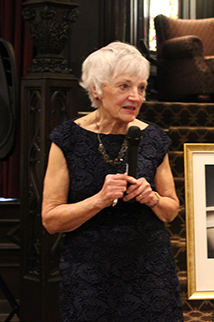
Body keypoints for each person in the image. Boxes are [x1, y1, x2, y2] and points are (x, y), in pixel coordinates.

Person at [41, 41, 184, 321]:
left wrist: (152, 197)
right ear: (96, 89)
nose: (136, 96)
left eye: (141, 88)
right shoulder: (67, 139)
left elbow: (170, 211)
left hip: (150, 271)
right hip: (90, 274)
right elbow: (51, 219)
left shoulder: (154, 138)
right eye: (124, 86)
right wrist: (99, 200)